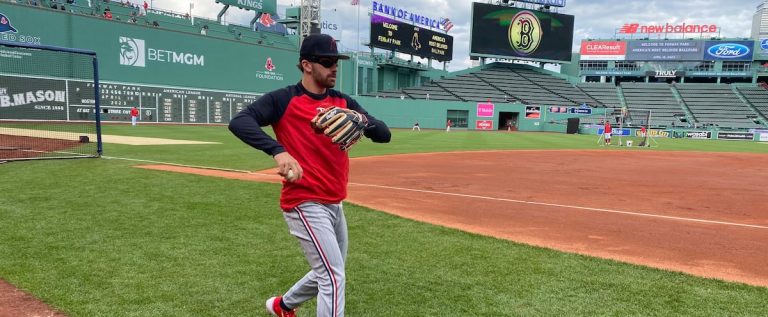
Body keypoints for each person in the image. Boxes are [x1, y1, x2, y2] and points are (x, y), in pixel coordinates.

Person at [228, 34, 391, 317]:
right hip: (304, 200)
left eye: (336, 62)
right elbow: (240, 121)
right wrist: (278, 151)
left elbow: (384, 135)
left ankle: (282, 305)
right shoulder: (284, 100)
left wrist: (363, 120)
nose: (334, 68)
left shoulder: (343, 102)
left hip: (335, 202)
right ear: (306, 65)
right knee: (332, 276)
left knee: (329, 268)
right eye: (327, 62)